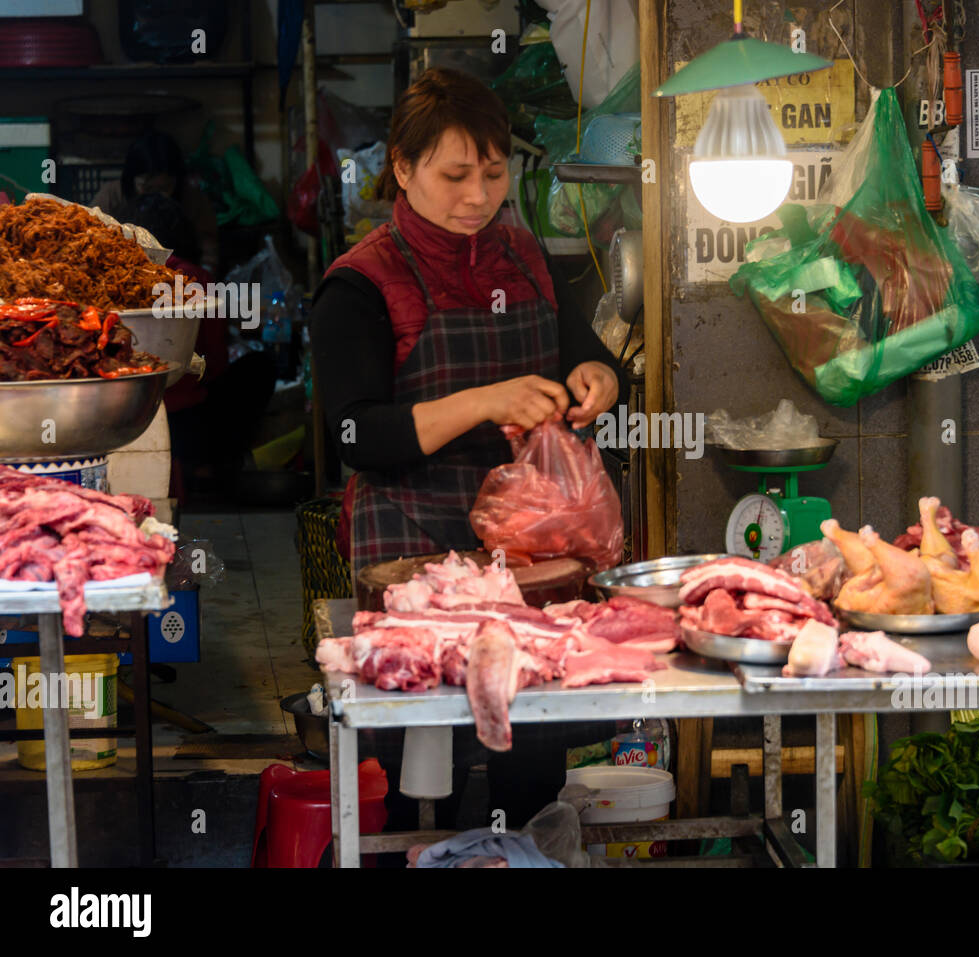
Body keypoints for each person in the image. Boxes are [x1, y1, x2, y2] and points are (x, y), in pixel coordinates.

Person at [309, 68, 628, 827]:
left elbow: (590, 356)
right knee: (426, 775)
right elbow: (355, 435)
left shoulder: (525, 257)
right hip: (413, 551)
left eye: (492, 173)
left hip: (527, 556)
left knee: (531, 755)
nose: (478, 196)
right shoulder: (360, 285)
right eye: (455, 175)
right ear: (403, 168)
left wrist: (597, 376)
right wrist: (487, 402)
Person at [122, 191, 276, 498]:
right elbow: (215, 362)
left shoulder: (114, 277)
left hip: (127, 410)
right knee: (261, 365)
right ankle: (211, 465)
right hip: (189, 425)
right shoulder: (196, 279)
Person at [92, 130, 220, 275]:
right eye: (147, 188)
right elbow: (92, 235)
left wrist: (204, 273)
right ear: (131, 179)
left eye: (165, 188)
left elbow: (208, 244)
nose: (156, 195)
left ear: (177, 182)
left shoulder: (192, 197)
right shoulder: (112, 196)